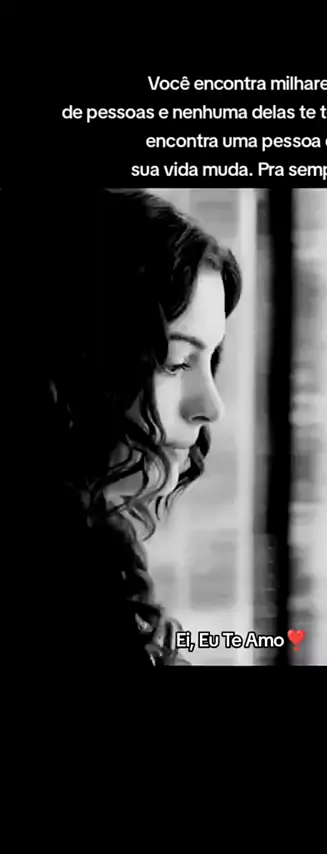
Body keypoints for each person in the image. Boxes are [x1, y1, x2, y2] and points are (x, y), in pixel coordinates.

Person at [38, 188, 242, 687]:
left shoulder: (101, 552)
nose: (211, 406)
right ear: (82, 367)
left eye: (210, 359)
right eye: (177, 362)